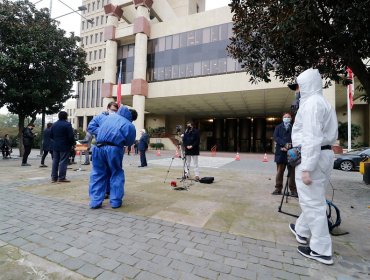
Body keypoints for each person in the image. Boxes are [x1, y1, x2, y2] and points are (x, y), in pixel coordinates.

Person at [288, 68, 338, 265]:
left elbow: (311, 138)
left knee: (312, 203)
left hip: (312, 157)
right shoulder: (323, 102)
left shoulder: (311, 105)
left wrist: (307, 168)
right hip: (324, 155)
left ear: (306, 85)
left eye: (299, 86)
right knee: (315, 199)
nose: (297, 90)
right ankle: (301, 230)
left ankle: (321, 249)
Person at [88, 106, 136, 209]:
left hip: (98, 147)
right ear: (132, 118)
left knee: (97, 173)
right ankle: (115, 201)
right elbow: (129, 142)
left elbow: (92, 126)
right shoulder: (129, 125)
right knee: (116, 173)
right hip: (114, 149)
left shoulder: (107, 117)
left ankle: (95, 201)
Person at [272, 113, 297, 197]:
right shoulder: (278, 127)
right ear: (282, 118)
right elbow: (276, 137)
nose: (287, 118)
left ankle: (293, 190)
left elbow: (296, 138)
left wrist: (289, 146)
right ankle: (278, 189)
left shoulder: (294, 127)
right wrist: (284, 145)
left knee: (292, 172)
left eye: (288, 117)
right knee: (280, 171)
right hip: (281, 152)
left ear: (291, 118)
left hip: (292, 152)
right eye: (285, 117)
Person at [50, 111, 76, 183]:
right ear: (66, 116)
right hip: (65, 145)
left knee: (55, 161)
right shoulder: (67, 124)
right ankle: (61, 177)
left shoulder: (54, 124)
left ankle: (54, 177)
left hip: (55, 145)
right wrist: (73, 144)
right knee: (63, 161)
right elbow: (71, 136)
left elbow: (51, 135)